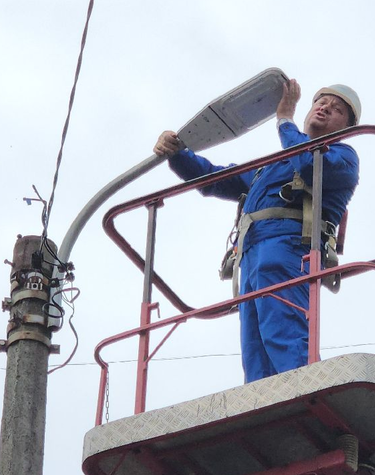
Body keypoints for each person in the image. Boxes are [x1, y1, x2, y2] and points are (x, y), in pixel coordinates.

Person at [153, 80, 360, 383]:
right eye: (321, 101)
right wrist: (176, 152)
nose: (326, 107)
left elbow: (309, 165)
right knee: (256, 354)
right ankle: (267, 412)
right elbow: (214, 178)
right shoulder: (269, 167)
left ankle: (307, 398)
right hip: (250, 261)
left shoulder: (343, 157)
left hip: (290, 254)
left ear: (347, 126)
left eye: (337, 108)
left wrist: (285, 120)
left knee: (286, 336)